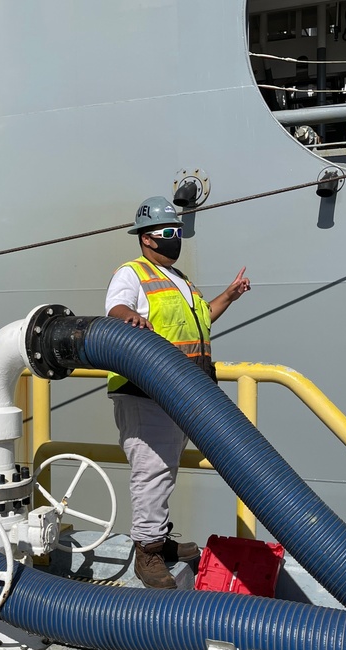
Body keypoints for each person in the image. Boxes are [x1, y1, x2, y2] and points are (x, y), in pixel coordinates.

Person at [105, 196, 252, 588]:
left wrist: (230, 296)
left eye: (179, 232)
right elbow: (116, 309)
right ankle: (148, 553)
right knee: (151, 471)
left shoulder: (181, 280)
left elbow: (203, 317)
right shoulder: (133, 273)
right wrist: (129, 317)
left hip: (182, 390)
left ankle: (160, 539)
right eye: (169, 233)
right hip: (146, 390)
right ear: (147, 239)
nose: (176, 239)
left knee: (164, 470)